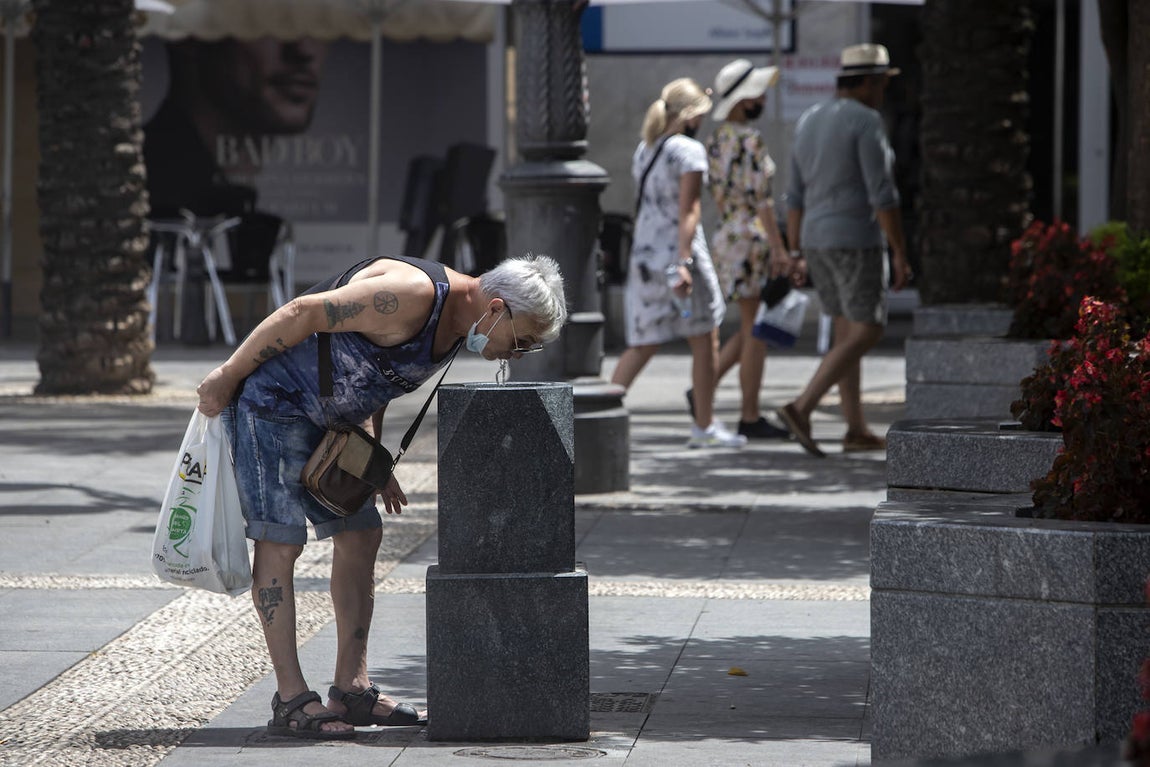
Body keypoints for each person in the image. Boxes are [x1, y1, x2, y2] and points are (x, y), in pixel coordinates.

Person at [195, 253, 567, 739]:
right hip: (273, 406)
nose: (517, 355)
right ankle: (290, 699)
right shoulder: (410, 296)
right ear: (496, 308)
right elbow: (303, 312)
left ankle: (351, 688)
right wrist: (227, 375)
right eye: (522, 342)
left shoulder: (459, 325)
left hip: (333, 425)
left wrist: (370, 455)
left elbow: (377, 378)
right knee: (280, 541)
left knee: (362, 532)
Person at [777, 43, 911, 457]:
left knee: (844, 330)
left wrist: (796, 249)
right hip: (855, 239)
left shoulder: (810, 119)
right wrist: (900, 252)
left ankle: (855, 427)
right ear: (870, 83)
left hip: (815, 239)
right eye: (883, 83)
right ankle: (802, 406)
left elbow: (794, 196)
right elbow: (883, 195)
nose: (884, 91)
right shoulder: (867, 120)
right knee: (868, 329)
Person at [609, 78, 746, 449]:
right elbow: (690, 210)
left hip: (646, 254)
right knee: (704, 336)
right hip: (678, 254)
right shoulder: (689, 151)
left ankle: (596, 414)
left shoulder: (646, 147)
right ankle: (704, 425)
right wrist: (685, 260)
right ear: (690, 115)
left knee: (644, 342)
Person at [144, 38, 329, 217]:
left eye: (321, 22)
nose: (304, 51)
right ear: (187, 36)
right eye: (265, 18)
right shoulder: (136, 189)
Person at [704, 59, 791, 440]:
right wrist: (780, 247)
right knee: (757, 329)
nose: (762, 98)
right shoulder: (750, 140)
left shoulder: (717, 139)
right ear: (742, 101)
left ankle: (703, 389)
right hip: (750, 238)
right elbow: (763, 202)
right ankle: (750, 414)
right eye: (756, 92)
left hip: (726, 236)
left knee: (750, 322)